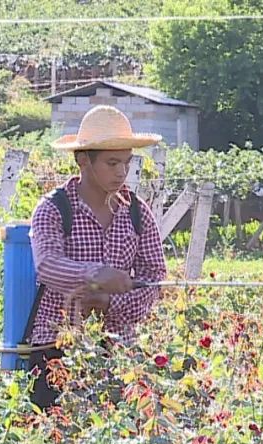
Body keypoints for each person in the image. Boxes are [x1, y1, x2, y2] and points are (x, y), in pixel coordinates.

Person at [26, 105, 168, 409]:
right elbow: (47, 265)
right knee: (52, 434)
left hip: (117, 347)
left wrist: (108, 302)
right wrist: (94, 275)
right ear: (82, 160)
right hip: (56, 346)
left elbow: (154, 279)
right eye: (112, 163)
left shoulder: (136, 212)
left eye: (126, 163)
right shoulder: (53, 209)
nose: (121, 172)